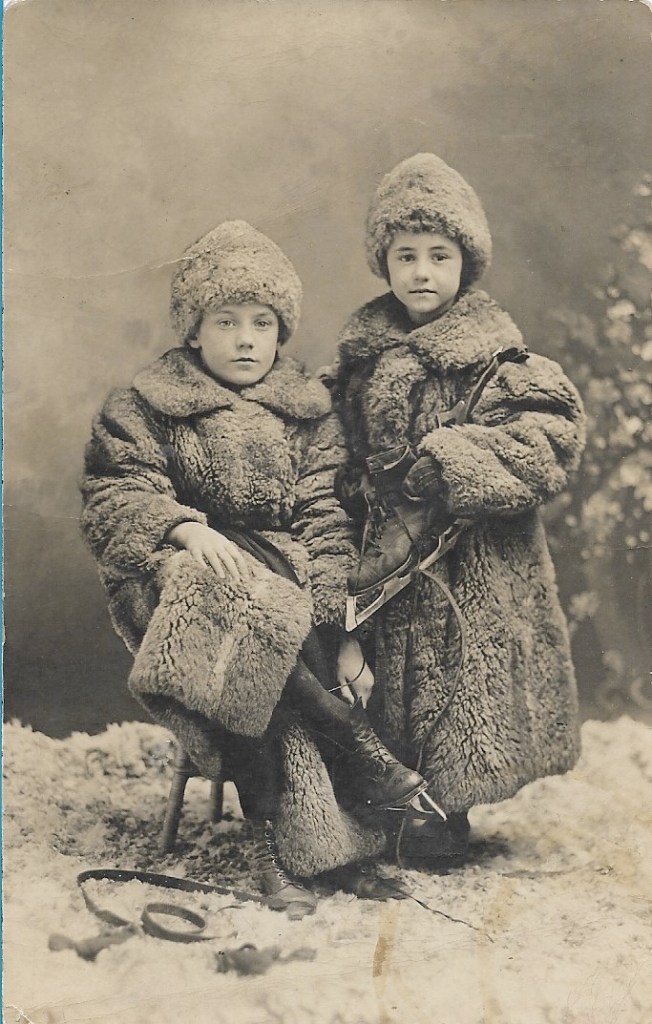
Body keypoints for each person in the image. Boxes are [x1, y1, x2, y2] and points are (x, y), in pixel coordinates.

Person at [80, 220, 427, 916]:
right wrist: (184, 528)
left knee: (272, 628)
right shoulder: (143, 407)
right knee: (225, 601)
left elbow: (325, 518)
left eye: (261, 323)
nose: (245, 339)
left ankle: (335, 851)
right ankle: (317, 782)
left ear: (280, 331)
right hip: (171, 578)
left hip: (279, 581)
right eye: (226, 321)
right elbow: (114, 494)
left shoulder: (307, 411)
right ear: (193, 331)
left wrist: (337, 623)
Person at [330, 153, 587, 867]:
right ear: (384, 263)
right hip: (388, 554)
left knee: (460, 682)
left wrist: (452, 461)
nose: (422, 272)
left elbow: (549, 440)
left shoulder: (500, 360)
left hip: (474, 560)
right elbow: (333, 443)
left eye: (439, 255)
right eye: (405, 255)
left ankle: (447, 811)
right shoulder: (359, 361)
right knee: (386, 682)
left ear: (466, 262)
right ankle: (387, 803)